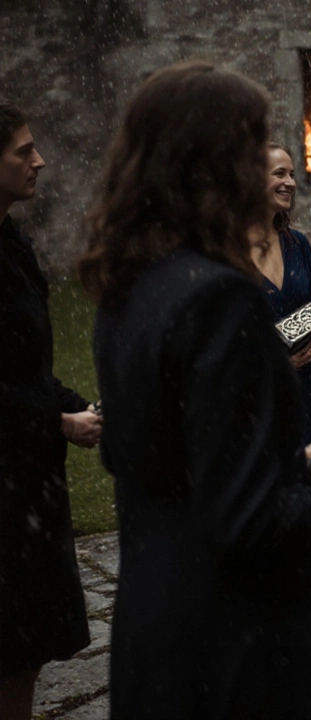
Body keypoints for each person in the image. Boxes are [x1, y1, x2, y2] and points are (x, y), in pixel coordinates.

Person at [78, 62, 311, 719]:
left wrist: (289, 464)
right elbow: (247, 523)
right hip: (240, 646)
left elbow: (162, 463)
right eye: (253, 148)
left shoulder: (127, 285)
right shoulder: (221, 298)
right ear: (215, 162)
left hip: (155, 628)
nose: (265, 171)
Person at [0, 102, 100, 720]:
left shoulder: (13, 244)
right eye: (22, 151)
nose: (39, 160)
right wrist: (56, 422)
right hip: (6, 486)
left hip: (28, 482)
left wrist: (72, 404)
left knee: (23, 648)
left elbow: (23, 370)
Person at [249, 143, 311, 655]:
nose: (290, 181)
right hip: (254, 409)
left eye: (293, 173)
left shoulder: (298, 244)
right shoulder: (228, 252)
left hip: (303, 403)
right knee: (264, 513)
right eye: (279, 173)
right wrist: (274, 354)